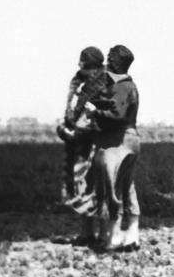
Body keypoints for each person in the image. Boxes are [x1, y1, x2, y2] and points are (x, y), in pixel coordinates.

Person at [55, 46, 112, 242]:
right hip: (78, 145)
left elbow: (104, 116)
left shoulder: (105, 84)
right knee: (82, 188)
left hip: (97, 144)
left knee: (101, 189)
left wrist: (80, 131)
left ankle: (104, 234)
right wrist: (67, 129)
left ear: (95, 67)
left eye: (85, 65)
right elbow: (72, 110)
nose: (81, 68)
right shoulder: (79, 82)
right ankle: (86, 233)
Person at [88, 45, 141, 252]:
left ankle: (113, 236)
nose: (106, 62)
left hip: (116, 142)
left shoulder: (120, 87)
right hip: (132, 138)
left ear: (116, 63)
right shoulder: (131, 86)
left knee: (111, 190)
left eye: (110, 59)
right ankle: (132, 236)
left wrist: (95, 111)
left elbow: (116, 114)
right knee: (128, 187)